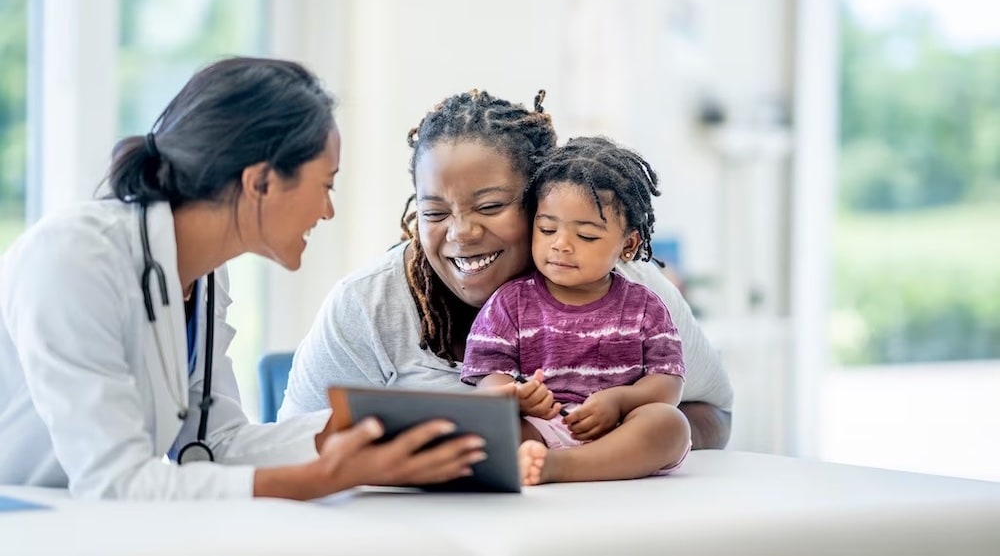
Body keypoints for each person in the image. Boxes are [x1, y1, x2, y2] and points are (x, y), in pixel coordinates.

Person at [0, 57, 485, 500]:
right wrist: (322, 478)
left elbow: (214, 444)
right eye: (326, 185)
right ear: (261, 183)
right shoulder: (72, 257)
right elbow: (115, 482)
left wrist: (371, 427)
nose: (327, 210)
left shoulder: (206, 277)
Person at [281, 89, 734, 450]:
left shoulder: (628, 288)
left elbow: (714, 413)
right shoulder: (366, 305)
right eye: (434, 213)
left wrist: (604, 440)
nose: (460, 233)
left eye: (492, 206)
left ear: (544, 198)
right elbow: (295, 444)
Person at [461, 136, 691, 485]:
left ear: (628, 245)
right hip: (538, 428)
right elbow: (489, 380)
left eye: (586, 236)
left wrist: (620, 400)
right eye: (547, 228)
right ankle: (538, 459)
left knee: (670, 424)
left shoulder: (644, 307)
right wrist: (517, 397)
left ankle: (560, 467)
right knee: (485, 427)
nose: (561, 245)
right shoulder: (509, 304)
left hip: (620, 431)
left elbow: (668, 383)